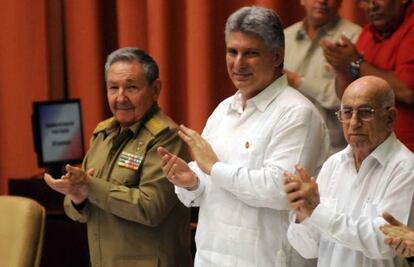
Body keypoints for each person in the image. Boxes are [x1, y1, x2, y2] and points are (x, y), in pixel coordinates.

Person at [157, 6, 329, 267]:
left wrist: (214, 168)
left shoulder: (298, 113)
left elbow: (280, 190)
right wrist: (191, 181)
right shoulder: (224, 110)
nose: (238, 63)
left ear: (277, 56)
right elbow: (207, 184)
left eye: (251, 53)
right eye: (232, 51)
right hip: (210, 257)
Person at [44, 47, 192, 267]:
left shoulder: (166, 138)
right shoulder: (103, 134)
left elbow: (150, 209)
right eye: (113, 87)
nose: (121, 97)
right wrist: (77, 196)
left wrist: (89, 186)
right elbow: (79, 212)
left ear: (155, 89)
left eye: (131, 87)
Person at [283, 76, 414, 267]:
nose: (354, 122)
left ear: (390, 118)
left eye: (365, 112)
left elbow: (383, 242)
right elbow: (308, 248)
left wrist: (316, 212)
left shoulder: (406, 168)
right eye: (347, 112)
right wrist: (302, 214)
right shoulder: (333, 164)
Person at [320, 0, 414, 151]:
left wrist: (355, 62)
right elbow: (345, 94)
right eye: (365, 1)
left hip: (406, 154)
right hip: (366, 150)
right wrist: (341, 67)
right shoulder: (368, 32)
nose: (371, 6)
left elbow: (407, 91)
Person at [284, 0, 361, 155]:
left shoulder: (355, 36)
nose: (322, 1)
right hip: (286, 142)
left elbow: (348, 100)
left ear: (340, 2)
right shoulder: (285, 37)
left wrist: (297, 81)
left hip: (331, 150)